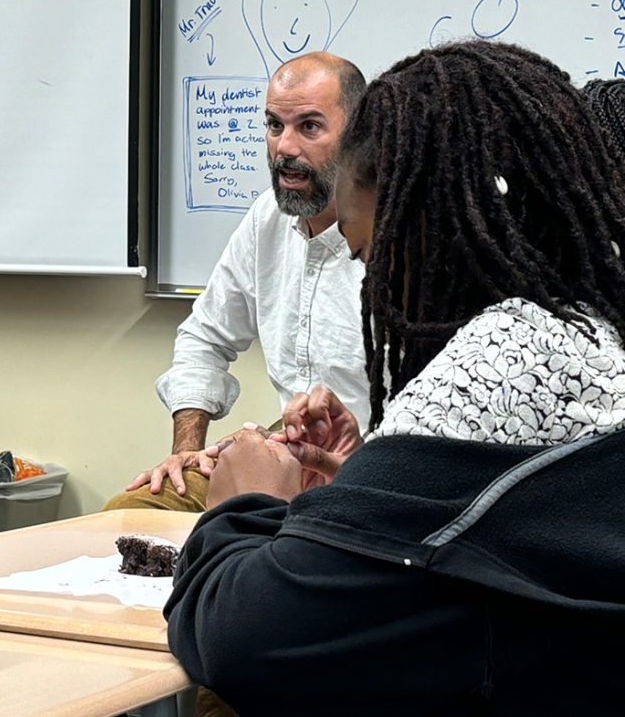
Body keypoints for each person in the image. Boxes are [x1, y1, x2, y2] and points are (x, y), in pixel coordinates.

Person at [165, 40, 625, 715]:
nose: (371, 279)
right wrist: (367, 477)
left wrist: (244, 505)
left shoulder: (497, 358)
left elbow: (243, 638)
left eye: (367, 247)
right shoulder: (589, 329)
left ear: (421, 223)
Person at [107, 51, 369, 511]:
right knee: (132, 513)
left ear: (358, 138)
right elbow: (204, 337)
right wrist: (187, 449)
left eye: (309, 127)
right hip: (291, 452)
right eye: (274, 125)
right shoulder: (267, 218)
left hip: (369, 468)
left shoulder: (403, 236)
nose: (284, 147)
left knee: (275, 542)